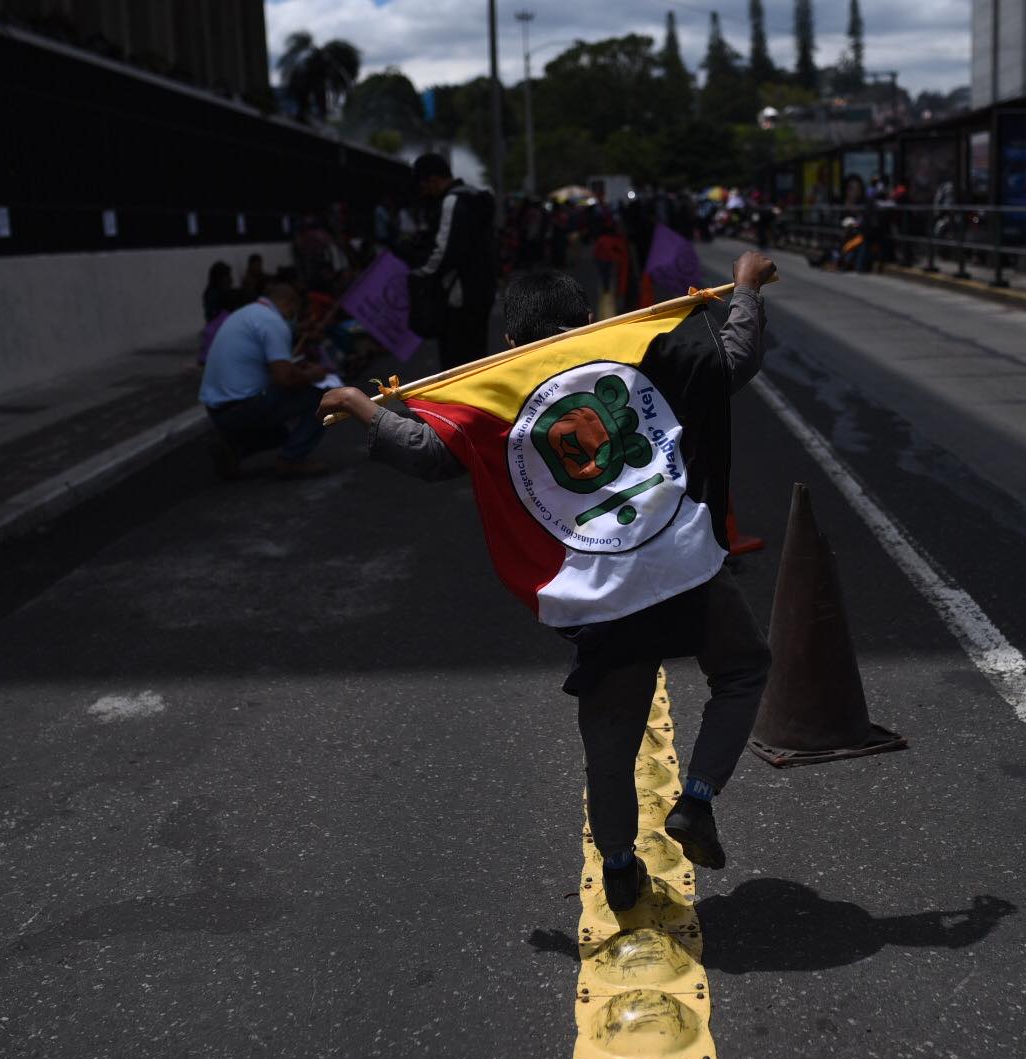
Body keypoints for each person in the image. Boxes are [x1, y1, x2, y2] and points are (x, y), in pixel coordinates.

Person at [318, 251, 777, 912]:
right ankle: (698, 798)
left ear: (508, 342)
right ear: (588, 319)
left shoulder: (495, 389)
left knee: (611, 744)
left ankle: (619, 868)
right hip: (679, 563)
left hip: (598, 591)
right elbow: (734, 358)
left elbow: (427, 454)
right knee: (741, 671)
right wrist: (745, 289)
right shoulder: (637, 351)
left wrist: (364, 406)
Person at [198, 282, 330, 479]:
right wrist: (314, 375)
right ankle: (290, 460)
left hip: (217, 409)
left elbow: (267, 366)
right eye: (295, 312)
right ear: (289, 304)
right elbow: (284, 378)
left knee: (281, 435)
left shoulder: (246, 314)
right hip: (242, 407)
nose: (293, 318)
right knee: (327, 399)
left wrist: (296, 370)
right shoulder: (273, 322)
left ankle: (232, 449)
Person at [408, 152, 498, 371]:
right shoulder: (476, 198)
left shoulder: (452, 201)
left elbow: (444, 249)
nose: (424, 192)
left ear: (432, 179)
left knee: (455, 363)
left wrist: (420, 275)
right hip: (482, 290)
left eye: (423, 185)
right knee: (476, 358)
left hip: (458, 295)